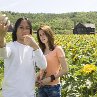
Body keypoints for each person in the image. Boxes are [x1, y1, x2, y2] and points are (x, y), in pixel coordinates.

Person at [0, 14, 47, 97]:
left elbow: (43, 65)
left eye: (27, 28)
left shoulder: (33, 48)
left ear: (30, 31)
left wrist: (35, 46)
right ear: (16, 30)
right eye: (21, 27)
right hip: (10, 94)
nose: (24, 30)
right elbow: (3, 53)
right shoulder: (11, 46)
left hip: (29, 94)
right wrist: (1, 37)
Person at [36, 25, 68, 97]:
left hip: (53, 87)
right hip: (41, 86)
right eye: (40, 35)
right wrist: (37, 77)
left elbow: (65, 69)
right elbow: (43, 68)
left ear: (49, 34)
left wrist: (50, 78)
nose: (42, 37)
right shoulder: (41, 50)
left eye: (44, 34)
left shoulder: (58, 49)